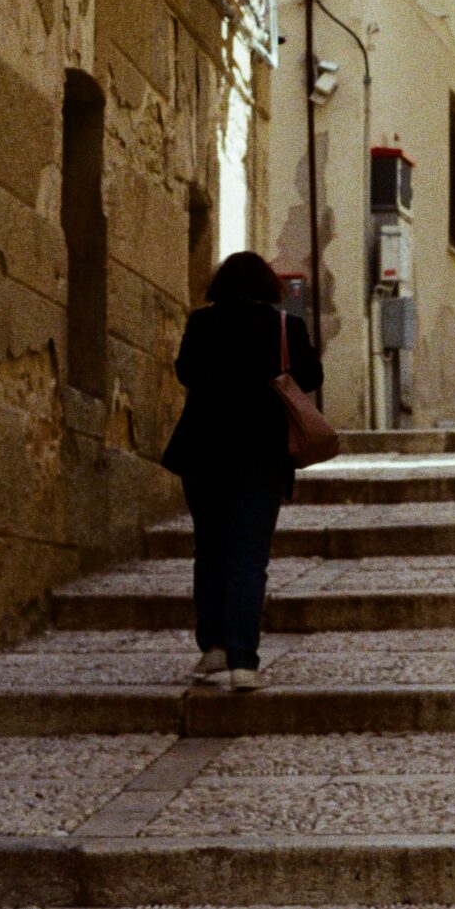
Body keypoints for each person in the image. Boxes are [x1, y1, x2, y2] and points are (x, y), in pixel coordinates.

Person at [160, 251, 322, 689]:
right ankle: (244, 662)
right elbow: (309, 378)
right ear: (268, 286)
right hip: (263, 456)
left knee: (210, 550)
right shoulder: (288, 327)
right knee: (250, 557)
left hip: (204, 454)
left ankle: (213, 647)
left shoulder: (202, 323)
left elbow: (185, 372)